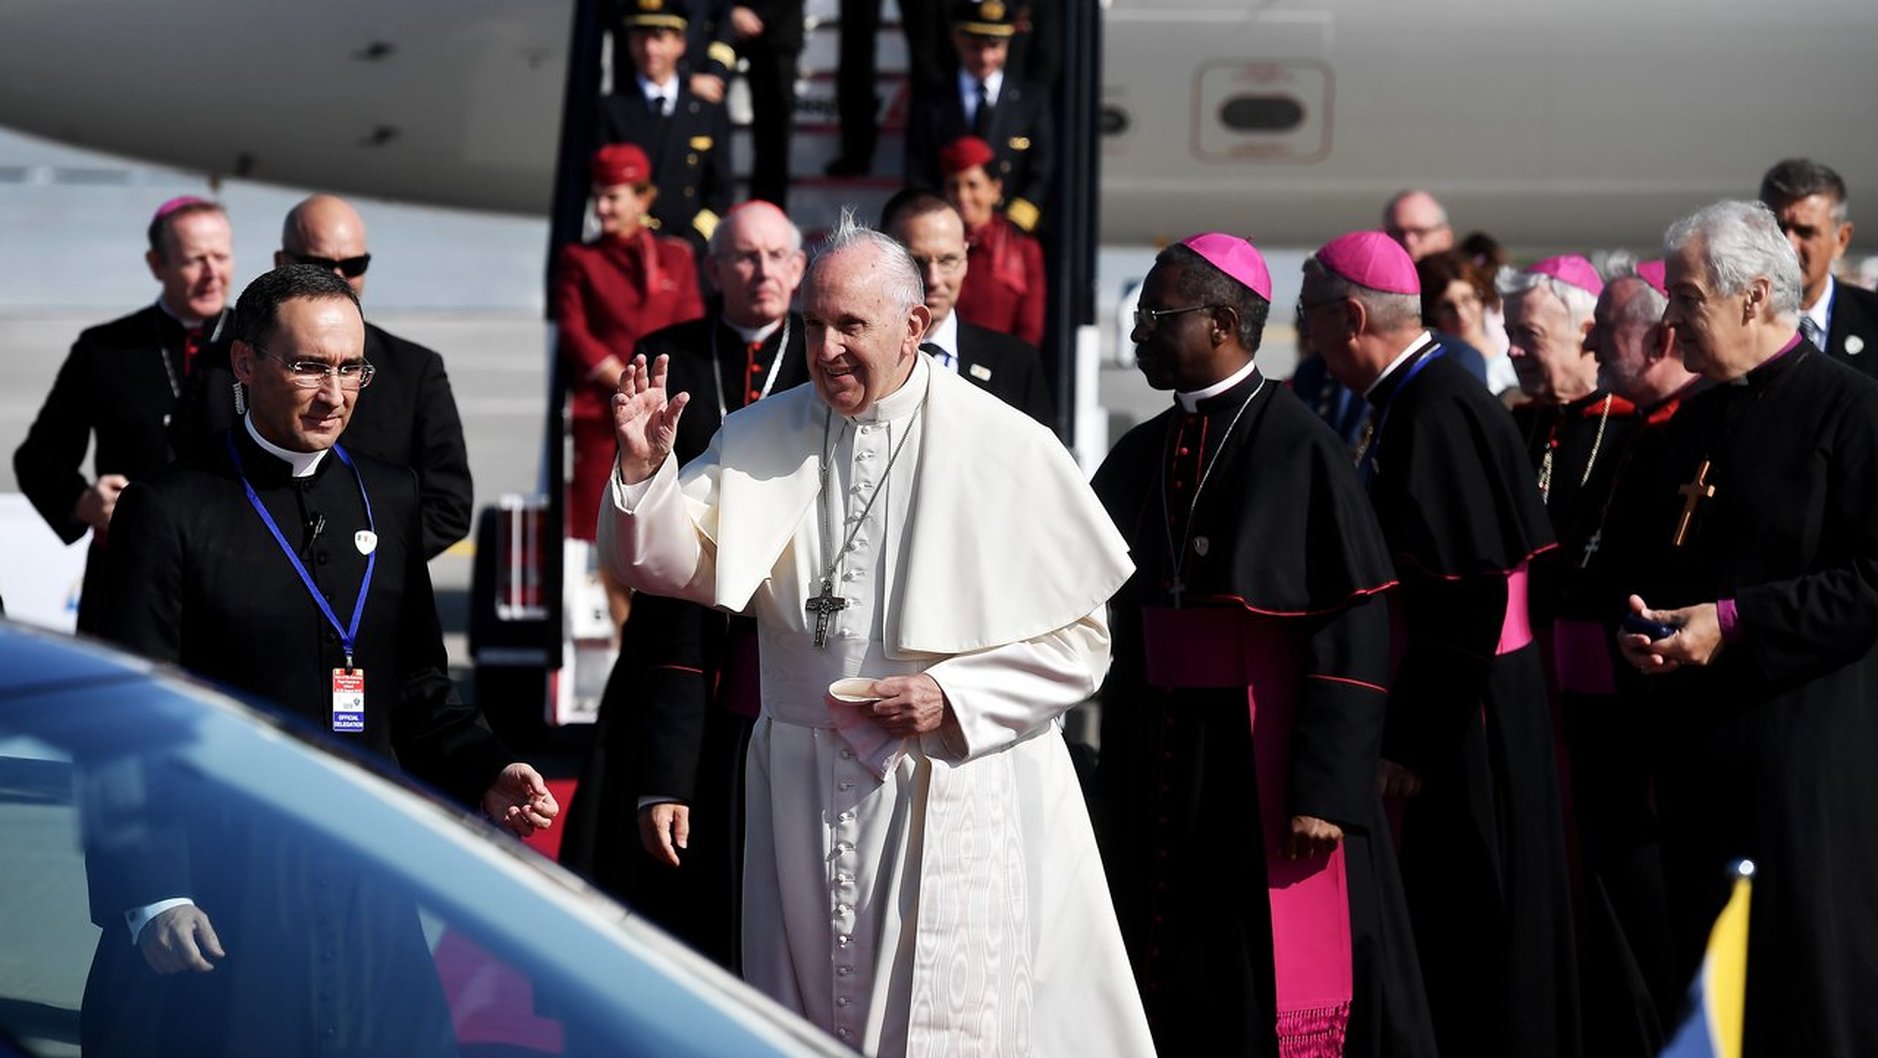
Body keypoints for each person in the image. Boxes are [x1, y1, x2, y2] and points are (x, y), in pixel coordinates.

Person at [597, 216, 1154, 1056]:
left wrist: (953, 695)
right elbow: (676, 566)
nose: (825, 351)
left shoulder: (1004, 444)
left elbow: (1082, 643)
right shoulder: (762, 433)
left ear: (913, 327)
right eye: (812, 326)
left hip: (947, 781)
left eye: (850, 326)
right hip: (798, 785)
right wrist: (644, 474)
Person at [83, 264, 557, 1057]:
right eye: (308, 365)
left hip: (359, 868)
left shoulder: (388, 495)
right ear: (245, 364)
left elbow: (414, 684)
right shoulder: (171, 508)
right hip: (225, 876)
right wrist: (152, 891)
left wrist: (484, 766)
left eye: (349, 368)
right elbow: (125, 714)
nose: (334, 393)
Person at [1092, 233, 1437, 1057]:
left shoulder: (1300, 447)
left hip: (1259, 761)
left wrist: (1325, 787)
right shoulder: (1140, 451)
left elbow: (1352, 626)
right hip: (1156, 743)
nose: (1136, 332)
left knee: (1251, 971)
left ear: (1218, 323)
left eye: (1154, 315)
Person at [1299, 230, 1579, 1058]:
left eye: (1311, 317)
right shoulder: (1414, 399)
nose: (1307, 336)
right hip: (1454, 705)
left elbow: (1471, 590)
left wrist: (1411, 743)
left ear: (1352, 316)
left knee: (1476, 931)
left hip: (1467, 721)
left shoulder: (1437, 409)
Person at [1614, 200, 1878, 1058]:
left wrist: (1733, 623)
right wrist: (1646, 628)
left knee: (1804, 998)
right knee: (1708, 1003)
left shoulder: (1853, 411)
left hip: (1805, 765)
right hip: (1697, 763)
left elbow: (1870, 583)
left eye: (1686, 299)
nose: (1670, 321)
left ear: (1756, 296)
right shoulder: (1694, 419)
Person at [558, 200, 809, 969]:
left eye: (775, 256)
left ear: (799, 269)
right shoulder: (669, 355)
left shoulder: (820, 362)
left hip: (785, 628)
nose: (761, 271)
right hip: (679, 628)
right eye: (742, 256)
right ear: (713, 270)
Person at [1543, 262, 1700, 1056]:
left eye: (1610, 326)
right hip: (1590, 721)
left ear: (1663, 336)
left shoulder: (1689, 427)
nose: (1594, 339)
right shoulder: (1636, 426)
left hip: (1646, 734)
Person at [170, 194, 474, 559]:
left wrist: (357, 561)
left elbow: (448, 506)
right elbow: (181, 482)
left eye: (354, 263)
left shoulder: (414, 370)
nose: (337, 276)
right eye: (318, 263)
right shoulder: (217, 366)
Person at [13, 196, 233, 632]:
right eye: (195, 260)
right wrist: (82, 501)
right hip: (127, 572)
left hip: (230, 568)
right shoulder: (105, 349)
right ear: (157, 264)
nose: (212, 273)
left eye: (221, 256)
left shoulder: (259, 343)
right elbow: (37, 456)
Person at [552, 143, 704, 622]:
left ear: (644, 198)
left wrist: (657, 393)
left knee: (674, 521)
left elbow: (691, 325)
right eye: (599, 197)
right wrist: (622, 383)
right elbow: (575, 331)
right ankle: (622, 634)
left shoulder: (676, 259)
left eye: (614, 197)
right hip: (605, 418)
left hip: (665, 418)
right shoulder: (580, 259)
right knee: (613, 531)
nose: (602, 208)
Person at [1503, 256, 1639, 573]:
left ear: (1586, 331)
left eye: (1530, 334)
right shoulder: (1518, 421)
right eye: (1509, 333)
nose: (1512, 349)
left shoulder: (1630, 424)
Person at [880, 189, 1054, 424]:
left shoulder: (1016, 365)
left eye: (947, 261)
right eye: (916, 262)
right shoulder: (847, 358)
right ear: (882, 259)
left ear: (965, 258)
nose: (933, 279)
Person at [904, 0, 1053, 234]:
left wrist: (1012, 225)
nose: (984, 57)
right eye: (974, 46)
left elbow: (1041, 169)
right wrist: (941, 220)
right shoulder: (931, 102)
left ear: (1007, 44)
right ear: (957, 40)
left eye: (994, 46)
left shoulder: (1030, 101)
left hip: (1008, 234)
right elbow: (918, 171)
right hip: (947, 230)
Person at [596, 0, 734, 252]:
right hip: (630, 249)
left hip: (691, 255)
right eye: (640, 38)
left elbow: (721, 191)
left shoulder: (707, 111)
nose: (649, 49)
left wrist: (693, 240)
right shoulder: (611, 111)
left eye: (659, 38)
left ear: (680, 44)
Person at [1757, 158, 1878, 372]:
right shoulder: (1732, 322)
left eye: (1805, 232)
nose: (1788, 244)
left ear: (1841, 239)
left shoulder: (1872, 320)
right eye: (1777, 227)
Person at [940, 134, 1047, 348]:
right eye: (954, 186)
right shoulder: (936, 246)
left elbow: (1030, 330)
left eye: (973, 185)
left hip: (1001, 371)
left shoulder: (1023, 249)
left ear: (995, 189)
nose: (963, 196)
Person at [1418, 249, 1516, 396]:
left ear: (1481, 297)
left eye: (1467, 299)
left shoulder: (1511, 355)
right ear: (1432, 312)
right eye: (1447, 307)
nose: (1461, 314)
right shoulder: (1433, 368)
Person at [1382, 190, 1455, 262]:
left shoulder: (1464, 272)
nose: (1409, 241)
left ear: (1446, 237)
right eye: (1397, 232)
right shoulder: (1373, 271)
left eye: (1420, 232)